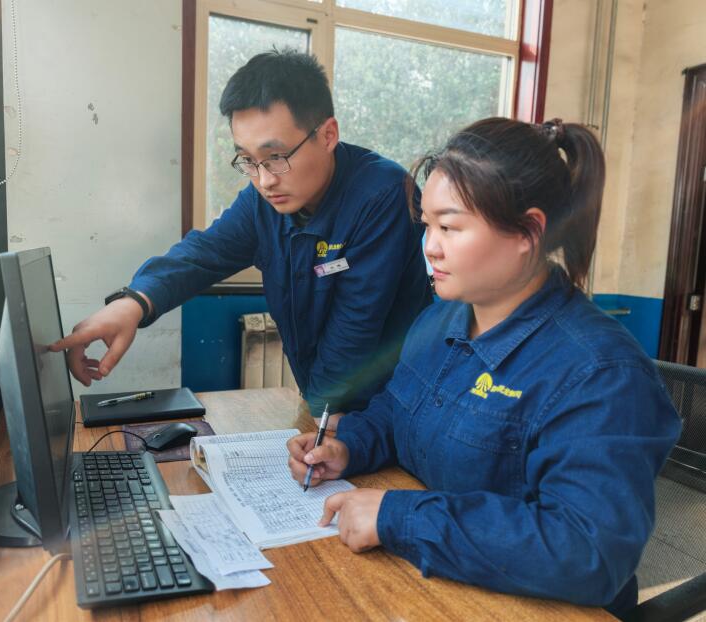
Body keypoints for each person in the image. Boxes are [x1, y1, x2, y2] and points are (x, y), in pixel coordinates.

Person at [286, 117, 681, 616]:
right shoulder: (439, 320)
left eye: (450, 227)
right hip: (435, 588)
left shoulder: (601, 374)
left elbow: (589, 551)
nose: (430, 246)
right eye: (427, 225)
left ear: (528, 231)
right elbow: (398, 410)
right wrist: (349, 447)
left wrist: (400, 517)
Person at [50, 50, 432, 426]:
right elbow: (203, 253)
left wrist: (321, 416)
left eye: (276, 156)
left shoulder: (383, 195)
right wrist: (133, 303)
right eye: (247, 160)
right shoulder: (264, 202)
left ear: (328, 134)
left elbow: (355, 327)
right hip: (328, 408)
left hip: (397, 410)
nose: (264, 180)